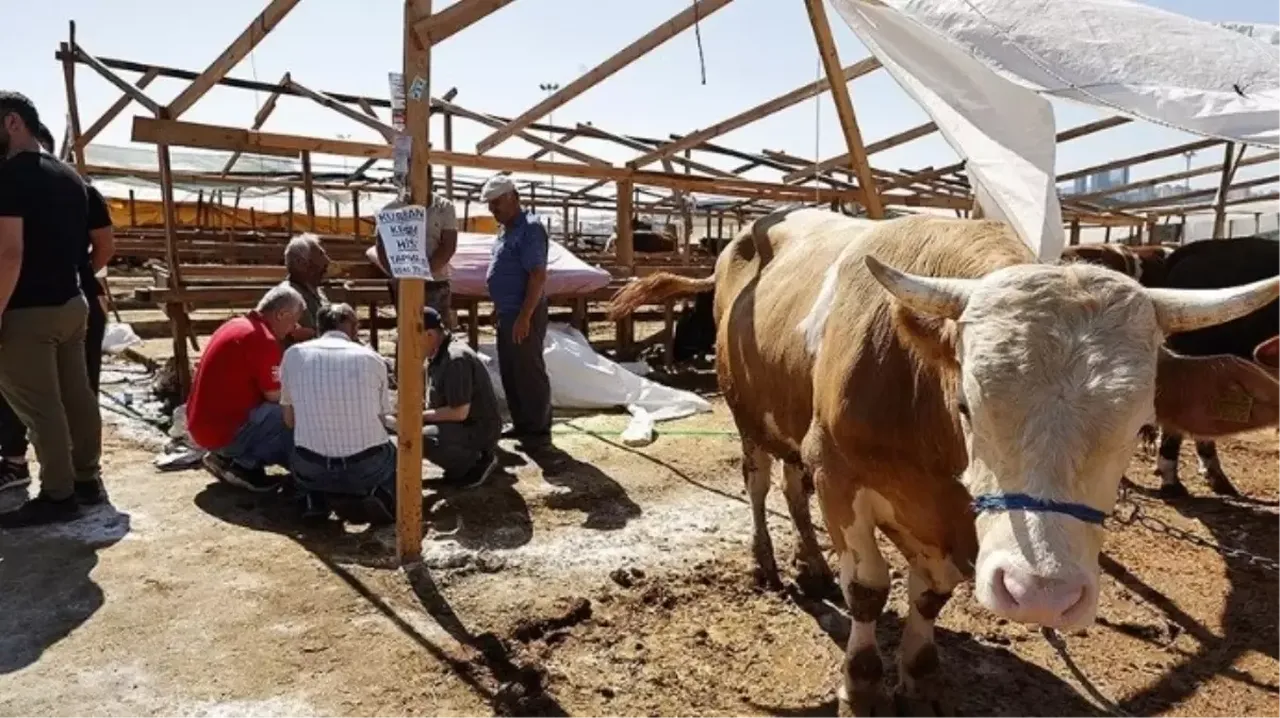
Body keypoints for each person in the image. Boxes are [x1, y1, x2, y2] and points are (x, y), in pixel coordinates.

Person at [0, 92, 105, 526]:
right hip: (71, 304)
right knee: (77, 397)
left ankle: (58, 495)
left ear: (11, 123)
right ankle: (87, 480)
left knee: (39, 406)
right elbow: (93, 247)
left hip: (28, 310)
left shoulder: (11, 177)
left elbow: (9, 254)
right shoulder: (70, 177)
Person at [279, 303, 396, 523]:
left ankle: (313, 497)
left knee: (296, 442)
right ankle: (381, 494)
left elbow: (289, 420)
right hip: (365, 467)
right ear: (352, 328)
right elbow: (381, 417)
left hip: (311, 466)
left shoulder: (293, 355)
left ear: (319, 326)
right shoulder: (372, 359)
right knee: (392, 452)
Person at [186, 284, 303, 492]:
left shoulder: (235, 325)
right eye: (293, 321)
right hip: (224, 432)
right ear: (281, 313)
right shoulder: (262, 339)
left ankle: (229, 459)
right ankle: (247, 464)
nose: (294, 329)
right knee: (294, 415)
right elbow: (276, 396)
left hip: (203, 428)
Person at [480, 173, 553, 450]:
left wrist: (524, 316)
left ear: (513, 198)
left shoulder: (530, 228)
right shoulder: (506, 231)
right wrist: (498, 306)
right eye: (490, 204)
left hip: (525, 311)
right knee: (511, 369)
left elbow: (536, 275)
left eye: (496, 203)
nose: (492, 210)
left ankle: (537, 429)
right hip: (509, 311)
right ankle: (523, 422)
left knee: (528, 370)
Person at [422, 306, 501, 488]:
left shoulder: (455, 359)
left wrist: (418, 418)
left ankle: (474, 462)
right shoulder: (436, 354)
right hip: (461, 426)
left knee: (417, 437)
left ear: (429, 335)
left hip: (476, 429)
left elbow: (459, 412)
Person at [366, 192, 458, 320]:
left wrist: (423, 272)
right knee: (408, 325)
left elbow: (448, 247)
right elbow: (381, 247)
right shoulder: (390, 210)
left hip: (435, 282)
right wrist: (396, 273)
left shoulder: (443, 207)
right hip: (403, 282)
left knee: (436, 328)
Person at [279, 233, 330, 348]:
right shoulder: (287, 297)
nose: (327, 261)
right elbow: (302, 337)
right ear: (301, 263)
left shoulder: (318, 292)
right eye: (320, 255)